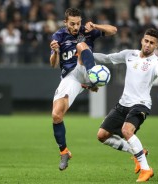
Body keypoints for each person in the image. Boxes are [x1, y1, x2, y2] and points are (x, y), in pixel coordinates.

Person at [93, 28, 158, 182]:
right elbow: (107, 58)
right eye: (146, 41)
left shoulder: (156, 62)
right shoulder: (130, 54)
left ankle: (146, 169)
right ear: (142, 41)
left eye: (152, 43)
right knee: (102, 136)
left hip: (141, 104)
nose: (148, 44)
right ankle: (138, 152)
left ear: (156, 45)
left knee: (127, 131)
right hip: (123, 103)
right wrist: (86, 54)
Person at [49, 7, 117, 171]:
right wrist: (56, 52)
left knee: (81, 45)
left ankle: (92, 78)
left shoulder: (87, 31)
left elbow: (113, 30)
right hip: (70, 77)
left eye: (78, 23)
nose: (75, 27)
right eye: (72, 24)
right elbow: (53, 64)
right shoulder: (58, 36)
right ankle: (64, 151)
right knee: (56, 115)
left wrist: (96, 26)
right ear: (65, 22)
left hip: (87, 69)